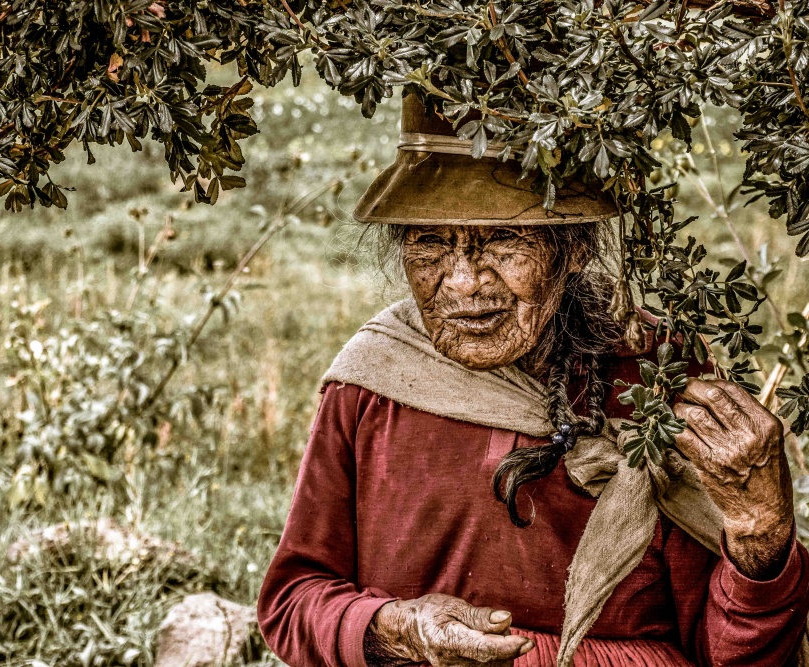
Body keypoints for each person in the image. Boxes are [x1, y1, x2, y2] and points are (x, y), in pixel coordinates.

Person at [256, 95, 809, 667]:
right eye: (430, 243)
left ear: (574, 248)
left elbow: (737, 657)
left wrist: (760, 532)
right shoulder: (371, 383)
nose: (465, 283)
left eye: (503, 239)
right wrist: (391, 630)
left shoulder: (657, 376)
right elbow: (294, 599)